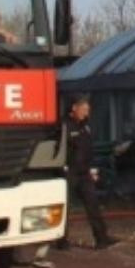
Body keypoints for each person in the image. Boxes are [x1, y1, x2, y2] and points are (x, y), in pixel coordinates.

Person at [56, 95, 118, 250]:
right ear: (74, 108)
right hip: (68, 172)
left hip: (84, 172)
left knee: (93, 204)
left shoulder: (85, 127)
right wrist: (61, 167)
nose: (86, 113)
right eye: (83, 109)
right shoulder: (63, 126)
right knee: (65, 207)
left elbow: (88, 149)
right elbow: (57, 148)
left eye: (88, 110)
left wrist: (92, 168)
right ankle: (62, 241)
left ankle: (101, 238)